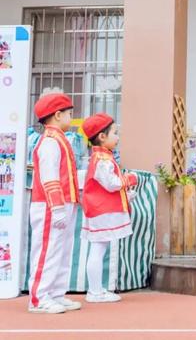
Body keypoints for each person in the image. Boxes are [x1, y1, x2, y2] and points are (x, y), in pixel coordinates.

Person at [28, 93, 81, 314]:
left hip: (63, 204)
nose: (72, 117)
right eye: (69, 113)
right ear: (58, 115)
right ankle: (39, 298)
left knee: (61, 250)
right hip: (51, 206)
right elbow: (49, 177)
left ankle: (56, 293)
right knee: (47, 251)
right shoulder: (50, 142)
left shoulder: (59, 139)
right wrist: (57, 207)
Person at [81, 113, 137, 303]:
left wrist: (126, 195)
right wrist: (130, 178)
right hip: (100, 211)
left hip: (99, 210)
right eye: (115, 132)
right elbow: (111, 184)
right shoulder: (102, 159)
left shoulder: (101, 157)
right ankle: (95, 292)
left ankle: (96, 290)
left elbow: (107, 187)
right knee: (98, 249)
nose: (118, 137)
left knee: (99, 248)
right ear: (102, 136)